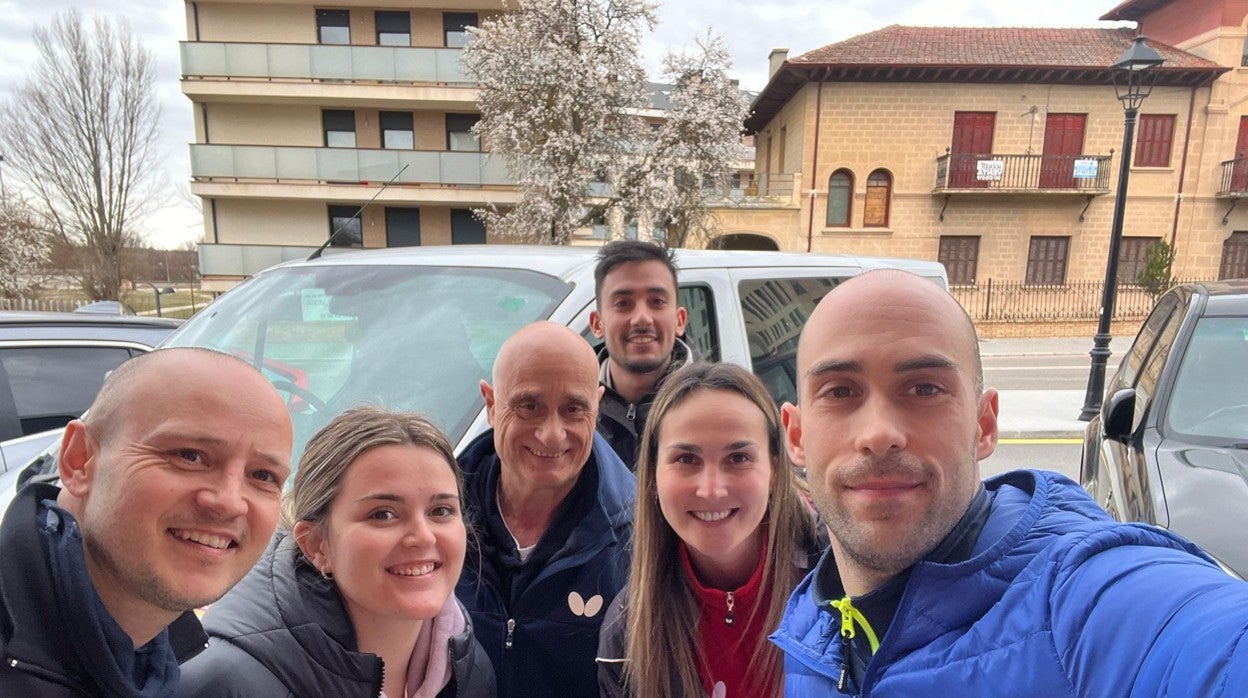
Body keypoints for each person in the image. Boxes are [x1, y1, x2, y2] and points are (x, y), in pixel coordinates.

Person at [773, 270, 1248, 696]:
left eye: (924, 389)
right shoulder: (810, 627)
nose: (878, 434)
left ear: (983, 426)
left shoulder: (1086, 601)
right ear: (796, 436)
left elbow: (1206, 643)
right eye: (839, 392)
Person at [0, 347, 294, 696]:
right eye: (189, 455)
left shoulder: (162, 657)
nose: (230, 502)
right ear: (80, 460)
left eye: (263, 475)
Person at [179, 407, 495, 697]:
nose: (423, 537)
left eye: (441, 510)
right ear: (316, 544)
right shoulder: (229, 683)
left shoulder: (469, 670)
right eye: (383, 514)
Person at [597, 362, 823, 697]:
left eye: (739, 458)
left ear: (774, 470)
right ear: (654, 477)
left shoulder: (841, 575)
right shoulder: (626, 633)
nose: (711, 490)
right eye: (686, 459)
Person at [456, 321, 635, 698]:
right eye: (529, 406)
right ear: (491, 404)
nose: (551, 434)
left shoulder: (640, 537)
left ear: (597, 406)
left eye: (573, 409)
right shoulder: (435, 524)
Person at [590, 240, 695, 468]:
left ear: (680, 320)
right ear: (597, 323)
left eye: (657, 302)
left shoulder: (715, 409)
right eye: (623, 303)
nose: (642, 318)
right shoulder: (572, 412)